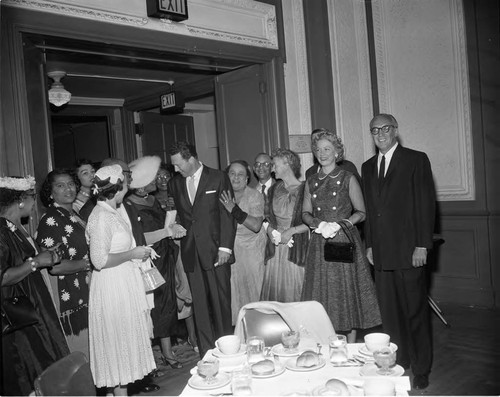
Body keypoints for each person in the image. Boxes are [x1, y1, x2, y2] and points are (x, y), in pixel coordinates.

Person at [361, 113, 436, 390]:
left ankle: (422, 368)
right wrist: (369, 245)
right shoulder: (368, 166)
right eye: (374, 130)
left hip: (409, 251)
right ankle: (399, 362)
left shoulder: (416, 160)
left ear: (395, 130)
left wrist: (422, 245)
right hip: (380, 253)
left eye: (385, 128)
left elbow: (425, 204)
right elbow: (370, 211)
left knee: (415, 313)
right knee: (390, 315)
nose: (380, 134)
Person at [301, 130, 381, 343]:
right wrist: (319, 224)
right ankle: (325, 342)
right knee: (321, 292)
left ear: (337, 152)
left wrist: (341, 224)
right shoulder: (311, 181)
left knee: (346, 294)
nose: (322, 153)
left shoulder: (347, 178)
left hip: (344, 240)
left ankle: (351, 347)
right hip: (320, 242)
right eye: (318, 150)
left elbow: (362, 212)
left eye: (327, 149)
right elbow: (305, 213)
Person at [86, 164, 156, 396]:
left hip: (122, 284)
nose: (128, 188)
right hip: (111, 288)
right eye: (125, 185)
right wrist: (132, 254)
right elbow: (98, 260)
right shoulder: (101, 217)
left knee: (121, 349)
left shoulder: (111, 212)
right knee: (117, 346)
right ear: (116, 189)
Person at [1, 175, 70, 396]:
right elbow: (3, 276)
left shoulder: (14, 227)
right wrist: (36, 262)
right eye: (31, 197)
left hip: (34, 302)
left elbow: (26, 262)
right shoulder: (2, 230)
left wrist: (47, 257)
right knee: (30, 366)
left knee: (47, 358)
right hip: (19, 313)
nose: (33, 204)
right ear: (20, 200)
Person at [168, 142, 236, 357]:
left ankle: (227, 350)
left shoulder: (217, 177)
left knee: (220, 303)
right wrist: (173, 226)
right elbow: (177, 214)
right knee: (199, 307)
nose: (176, 170)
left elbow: (227, 214)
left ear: (191, 159)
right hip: (191, 251)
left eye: (178, 165)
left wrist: (226, 247)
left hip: (216, 251)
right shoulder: (176, 183)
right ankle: (207, 354)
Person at [128, 156, 185, 370]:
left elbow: (164, 225)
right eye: (153, 178)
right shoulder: (129, 205)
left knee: (167, 303)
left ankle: (167, 351)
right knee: (150, 308)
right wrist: (166, 231)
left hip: (165, 256)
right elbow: (138, 238)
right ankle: (147, 358)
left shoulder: (153, 200)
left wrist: (173, 226)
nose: (158, 181)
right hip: (146, 261)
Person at [36, 169, 91, 356]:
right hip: (71, 294)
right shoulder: (51, 219)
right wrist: (87, 264)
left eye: (70, 184)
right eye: (60, 185)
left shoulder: (74, 215)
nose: (68, 189)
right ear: (50, 193)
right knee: (82, 352)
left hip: (87, 287)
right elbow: (55, 266)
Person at [153, 162, 199, 353]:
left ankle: (193, 337)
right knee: (167, 291)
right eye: (159, 177)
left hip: (181, 246)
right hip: (161, 249)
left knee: (185, 286)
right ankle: (168, 344)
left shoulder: (179, 194)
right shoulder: (150, 200)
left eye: (166, 176)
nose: (163, 180)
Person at [219, 160, 266, 324]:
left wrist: (233, 209)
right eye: (232, 173)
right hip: (229, 253)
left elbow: (255, 225)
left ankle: (258, 332)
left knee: (254, 294)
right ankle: (239, 334)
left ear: (247, 179)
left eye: (241, 174)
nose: (236, 177)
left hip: (252, 253)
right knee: (233, 296)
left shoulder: (254, 196)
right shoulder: (221, 195)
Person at [260, 148, 309, 302]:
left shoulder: (307, 187)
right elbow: (267, 217)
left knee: (296, 292)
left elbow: (315, 220)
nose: (272, 168)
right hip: (276, 249)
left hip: (298, 248)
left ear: (287, 164)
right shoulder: (274, 188)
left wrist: (292, 231)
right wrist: (270, 231)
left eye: (274, 164)